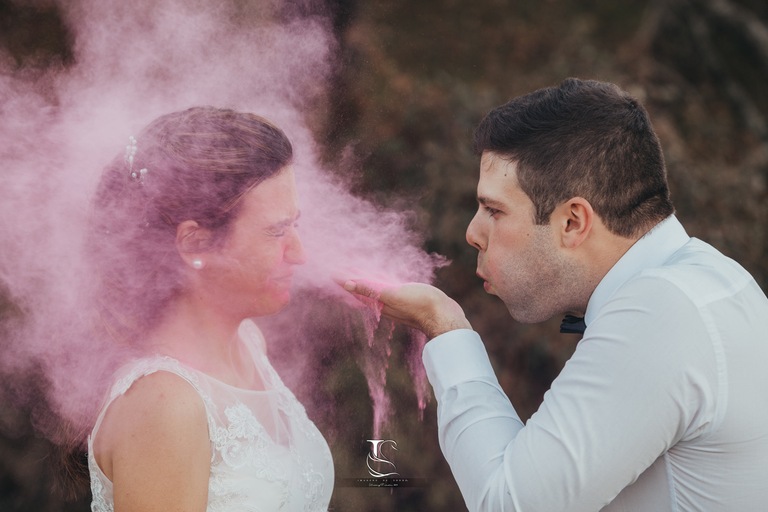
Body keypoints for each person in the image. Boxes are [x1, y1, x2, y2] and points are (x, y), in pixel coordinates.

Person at [344, 78, 768, 511]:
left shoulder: (661, 316)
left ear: (572, 222)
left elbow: (507, 504)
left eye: (494, 210)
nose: (473, 233)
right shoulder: (712, 281)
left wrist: (444, 325)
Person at [86, 107, 334, 511]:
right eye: (276, 232)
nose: (299, 253)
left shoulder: (249, 343)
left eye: (295, 224)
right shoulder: (164, 405)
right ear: (195, 244)